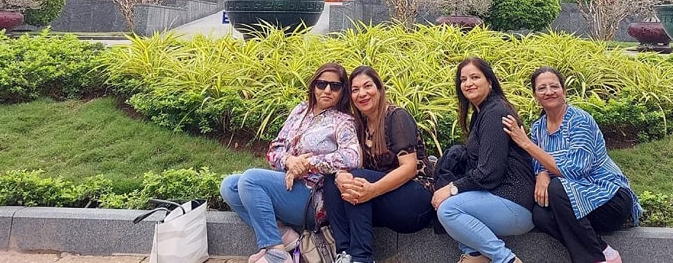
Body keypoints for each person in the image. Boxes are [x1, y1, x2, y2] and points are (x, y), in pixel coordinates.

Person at [220, 63, 362, 263]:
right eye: (322, 84)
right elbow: (274, 150)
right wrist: (290, 161)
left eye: (335, 86)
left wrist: (309, 163)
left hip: (312, 197)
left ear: (343, 91)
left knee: (251, 179)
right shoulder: (301, 110)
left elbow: (352, 156)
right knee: (230, 186)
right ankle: (284, 237)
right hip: (287, 185)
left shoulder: (343, 121)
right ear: (314, 86)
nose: (327, 90)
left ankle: (275, 252)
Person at [503, 67, 642, 263]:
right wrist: (541, 173)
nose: (549, 91)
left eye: (554, 86)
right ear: (535, 95)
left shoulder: (579, 120)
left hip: (609, 199)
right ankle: (604, 252)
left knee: (557, 187)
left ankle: (592, 259)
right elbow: (538, 162)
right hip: (575, 205)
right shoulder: (539, 128)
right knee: (540, 215)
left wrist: (526, 143)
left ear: (564, 91)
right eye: (542, 88)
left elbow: (574, 170)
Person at [324, 66, 436, 263]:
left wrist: (372, 190)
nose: (362, 94)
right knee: (333, 180)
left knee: (358, 179)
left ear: (379, 89)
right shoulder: (360, 126)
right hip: (383, 199)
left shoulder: (396, 116)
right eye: (356, 90)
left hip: (416, 200)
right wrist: (341, 175)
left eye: (368, 86)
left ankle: (361, 257)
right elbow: (348, 161)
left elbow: (409, 168)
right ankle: (345, 254)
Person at [432, 57, 535, 263]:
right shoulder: (482, 113)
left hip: (514, 202)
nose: (468, 83)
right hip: (497, 199)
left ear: (490, 81)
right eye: (463, 79)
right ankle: (475, 254)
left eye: (475, 77)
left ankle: (505, 259)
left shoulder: (495, 112)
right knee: (445, 202)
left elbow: (490, 172)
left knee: (449, 209)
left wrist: (452, 188)